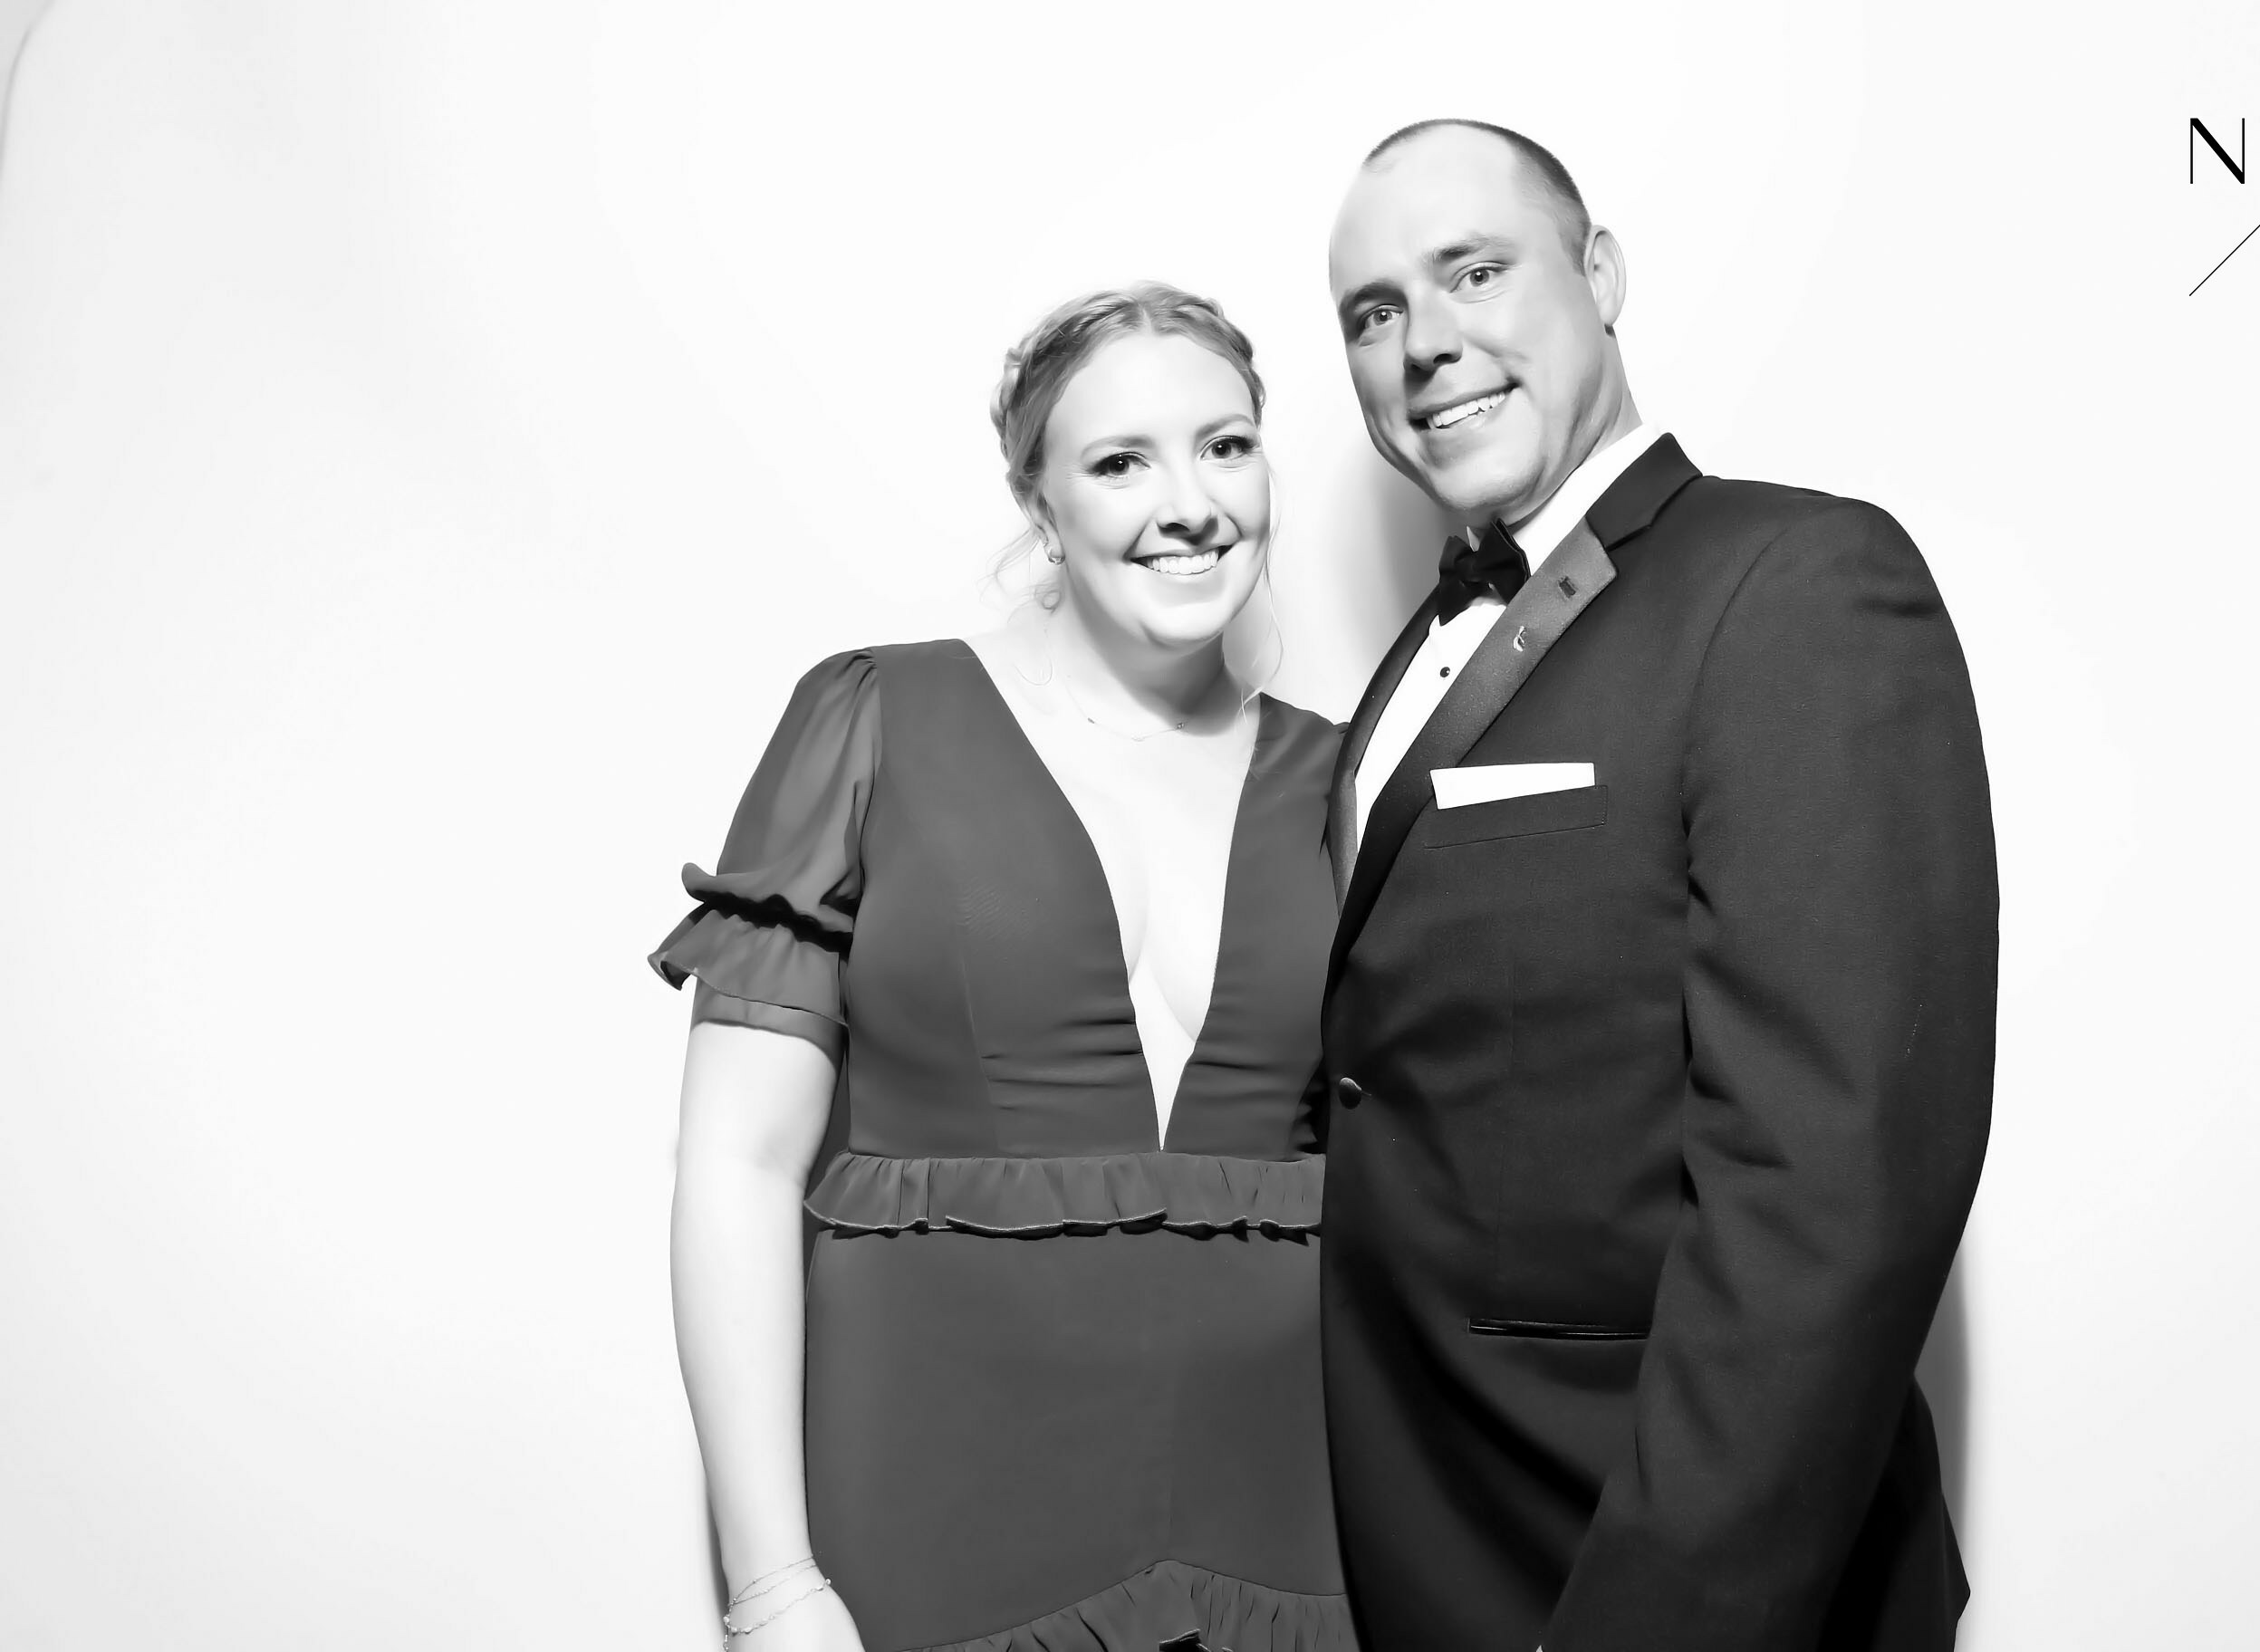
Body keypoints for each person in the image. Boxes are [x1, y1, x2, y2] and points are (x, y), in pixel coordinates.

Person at [1316, 120, 2000, 1651]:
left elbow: (1835, 1186)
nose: (1425, 343)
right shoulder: (1409, 668)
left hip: (1661, 1571)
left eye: (1473, 271)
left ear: (1602, 274)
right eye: (1372, 312)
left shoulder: (1798, 583)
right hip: (1441, 1540)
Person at [651, 283, 1356, 1652]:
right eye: (1121, 461)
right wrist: (772, 1586)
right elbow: (737, 1165)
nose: (1191, 504)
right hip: (937, 1509)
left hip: (1285, 1519)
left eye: (1225, 446)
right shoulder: (878, 720)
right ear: (1039, 501)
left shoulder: (1349, 778)